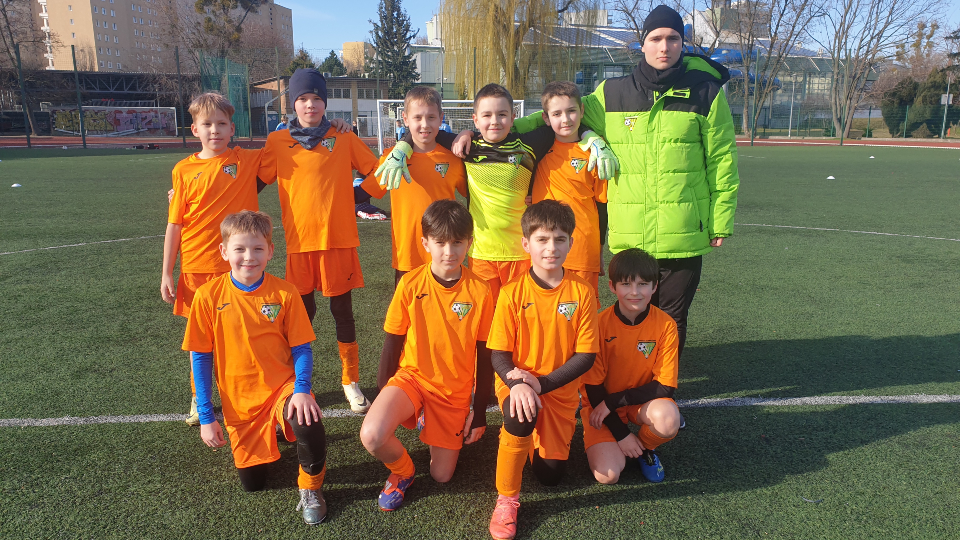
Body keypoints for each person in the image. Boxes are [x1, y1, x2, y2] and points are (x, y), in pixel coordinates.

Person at [514, 4, 739, 362]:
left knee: (672, 318)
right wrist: (497, 129)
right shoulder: (612, 93)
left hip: (684, 231)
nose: (664, 46)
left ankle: (664, 387)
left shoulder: (707, 93)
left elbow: (722, 160)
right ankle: (627, 383)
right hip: (630, 233)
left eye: (673, 38)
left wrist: (720, 219)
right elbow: (561, 114)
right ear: (642, 44)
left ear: (683, 44)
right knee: (630, 316)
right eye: (656, 38)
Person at [378, 83, 618, 302]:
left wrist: (591, 137)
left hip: (523, 252)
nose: (495, 121)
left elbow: (563, 122)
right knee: (487, 321)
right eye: (487, 115)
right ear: (475, 119)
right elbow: (426, 129)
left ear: (513, 117)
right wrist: (403, 145)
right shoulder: (468, 148)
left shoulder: (528, 144)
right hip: (482, 252)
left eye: (502, 114)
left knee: (521, 319)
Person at [183, 210, 329, 525]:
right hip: (240, 401)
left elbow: (301, 348)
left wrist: (302, 390)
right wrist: (207, 417)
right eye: (240, 249)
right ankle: (271, 432)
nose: (249, 257)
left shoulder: (285, 292)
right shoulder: (208, 296)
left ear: (270, 251)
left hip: (281, 388)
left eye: (258, 249)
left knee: (308, 420)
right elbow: (201, 357)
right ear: (224, 251)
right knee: (254, 484)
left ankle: (311, 488)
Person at [359, 200, 495, 511]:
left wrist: (480, 410)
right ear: (425, 244)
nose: (449, 251)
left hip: (453, 392)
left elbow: (485, 354)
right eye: (440, 242)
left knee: (441, 476)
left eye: (457, 242)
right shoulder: (410, 283)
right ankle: (403, 472)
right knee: (373, 434)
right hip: (413, 378)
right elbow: (392, 343)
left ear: (469, 243)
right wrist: (383, 395)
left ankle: (430, 419)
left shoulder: (481, 291)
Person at [258, 68, 378, 413]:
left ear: (325, 103)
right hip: (300, 245)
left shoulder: (342, 135)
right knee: (302, 316)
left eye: (316, 98)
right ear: (293, 104)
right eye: (302, 99)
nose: (310, 104)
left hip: (338, 243)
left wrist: (356, 197)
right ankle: (299, 383)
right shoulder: (278, 141)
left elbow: (378, 171)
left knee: (342, 312)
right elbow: (254, 182)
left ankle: (350, 381)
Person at [485, 200, 600, 540]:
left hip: (557, 390)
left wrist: (541, 384)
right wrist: (518, 384)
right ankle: (506, 499)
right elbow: (499, 354)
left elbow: (586, 356)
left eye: (560, 239)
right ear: (526, 244)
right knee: (520, 411)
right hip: (518, 384)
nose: (551, 248)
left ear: (571, 243)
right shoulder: (511, 293)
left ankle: (531, 439)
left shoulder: (582, 292)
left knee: (550, 477)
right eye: (542, 239)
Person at [161, 91, 262, 425]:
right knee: (201, 341)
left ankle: (250, 396)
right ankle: (199, 397)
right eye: (207, 124)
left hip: (240, 267)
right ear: (194, 129)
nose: (214, 130)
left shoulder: (246, 160)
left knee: (242, 334)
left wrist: (334, 125)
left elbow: (287, 148)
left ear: (233, 128)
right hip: (196, 267)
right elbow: (174, 224)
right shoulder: (183, 170)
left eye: (221, 123)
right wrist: (167, 272)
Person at [581, 248, 681, 485]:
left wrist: (615, 401)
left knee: (668, 419)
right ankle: (622, 444)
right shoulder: (598, 325)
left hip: (636, 404)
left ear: (654, 287)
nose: (635, 292)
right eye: (626, 284)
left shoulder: (666, 325)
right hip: (600, 406)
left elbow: (665, 387)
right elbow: (593, 388)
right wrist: (621, 434)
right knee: (608, 476)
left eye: (643, 284)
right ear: (612, 286)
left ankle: (645, 448)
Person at [359, 86, 467, 285]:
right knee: (406, 304)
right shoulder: (391, 159)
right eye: (417, 117)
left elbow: (472, 196)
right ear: (405, 119)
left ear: (441, 118)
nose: (425, 124)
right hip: (407, 254)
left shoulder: (454, 159)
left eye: (431, 117)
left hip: (445, 253)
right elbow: (364, 193)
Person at [531, 81, 608, 302]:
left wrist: (599, 250)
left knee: (583, 311)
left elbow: (602, 206)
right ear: (546, 118)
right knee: (545, 311)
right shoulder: (537, 149)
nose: (565, 119)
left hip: (583, 248)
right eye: (557, 114)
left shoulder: (596, 152)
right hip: (544, 250)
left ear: (582, 111)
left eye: (571, 111)